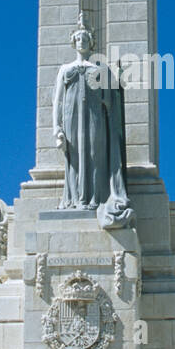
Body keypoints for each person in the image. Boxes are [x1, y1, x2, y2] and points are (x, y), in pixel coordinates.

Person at [53, 16, 134, 229]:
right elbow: (57, 101)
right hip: (71, 119)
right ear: (73, 42)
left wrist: (118, 84)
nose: (81, 41)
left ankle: (95, 199)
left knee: (95, 155)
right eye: (78, 38)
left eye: (85, 38)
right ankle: (75, 199)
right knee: (75, 157)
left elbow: (111, 100)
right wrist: (57, 130)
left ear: (91, 42)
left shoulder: (101, 69)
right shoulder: (65, 69)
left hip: (95, 118)